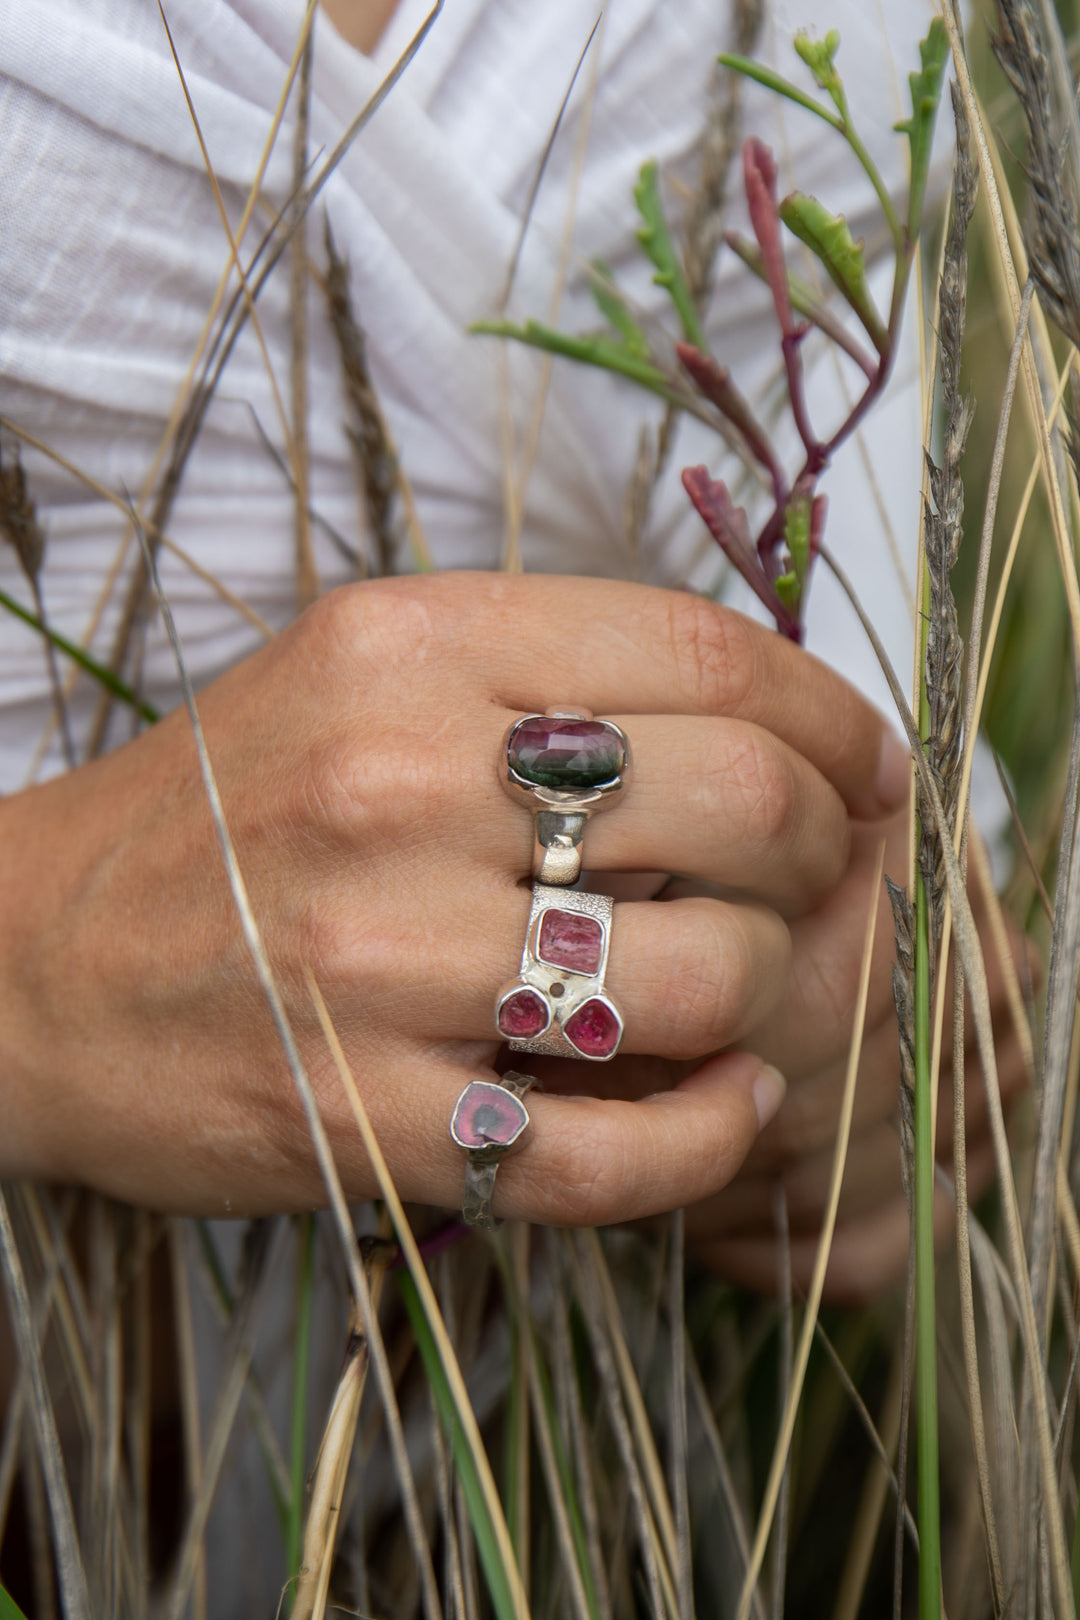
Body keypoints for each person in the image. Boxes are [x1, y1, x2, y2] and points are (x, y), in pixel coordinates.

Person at [0, 0, 1026, 1311]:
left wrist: (894, 997)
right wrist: (36, 971)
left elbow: (832, 305)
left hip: (684, 1401)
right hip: (77, 1415)